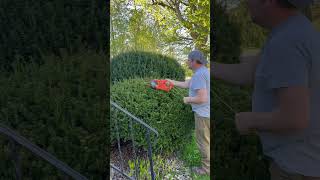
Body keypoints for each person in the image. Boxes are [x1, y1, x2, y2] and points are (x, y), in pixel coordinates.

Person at [213, 0, 320, 179]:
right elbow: (247, 73)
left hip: (297, 169)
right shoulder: (293, 30)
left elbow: (294, 118)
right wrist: (206, 68)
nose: (246, 3)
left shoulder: (286, 41)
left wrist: (250, 120)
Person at [167, 50, 210, 175]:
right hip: (206, 113)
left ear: (195, 61)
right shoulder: (202, 72)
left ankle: (206, 170)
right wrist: (171, 81)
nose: (187, 62)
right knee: (206, 140)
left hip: (203, 115)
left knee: (203, 142)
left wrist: (187, 99)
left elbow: (202, 98)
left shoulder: (199, 75)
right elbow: (187, 84)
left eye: (188, 60)